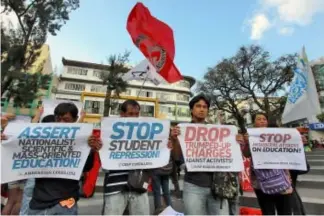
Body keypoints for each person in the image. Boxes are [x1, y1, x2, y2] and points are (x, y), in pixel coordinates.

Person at [26, 102, 102, 215]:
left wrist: (91, 150)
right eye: (58, 119)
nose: (61, 123)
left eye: (66, 120)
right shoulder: (42, 137)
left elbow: (87, 167)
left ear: (75, 119)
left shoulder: (84, 140)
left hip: (66, 202)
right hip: (39, 202)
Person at [170, 94, 229, 215]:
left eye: (205, 107)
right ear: (191, 109)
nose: (202, 109)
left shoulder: (217, 131)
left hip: (217, 187)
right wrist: (175, 140)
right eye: (198, 106)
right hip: (193, 186)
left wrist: (236, 140)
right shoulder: (182, 130)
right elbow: (177, 158)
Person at [238, 113, 299, 215]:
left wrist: (298, 141)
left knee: (285, 212)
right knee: (267, 212)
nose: (262, 121)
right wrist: (248, 142)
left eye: (264, 119)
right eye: (259, 119)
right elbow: (246, 154)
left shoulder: (277, 135)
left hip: (280, 180)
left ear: (267, 122)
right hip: (261, 182)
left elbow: (285, 153)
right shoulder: (250, 136)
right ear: (254, 123)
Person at [102, 99, 150, 215]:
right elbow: (103, 161)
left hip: (139, 186)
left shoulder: (146, 133)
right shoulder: (110, 132)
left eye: (136, 114)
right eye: (130, 114)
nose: (134, 117)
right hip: (115, 186)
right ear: (122, 114)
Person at [19, 113, 55, 215]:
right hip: (37, 177)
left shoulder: (36, 137)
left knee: (28, 200)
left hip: (35, 176)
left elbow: (31, 128)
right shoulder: (58, 140)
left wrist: (38, 114)